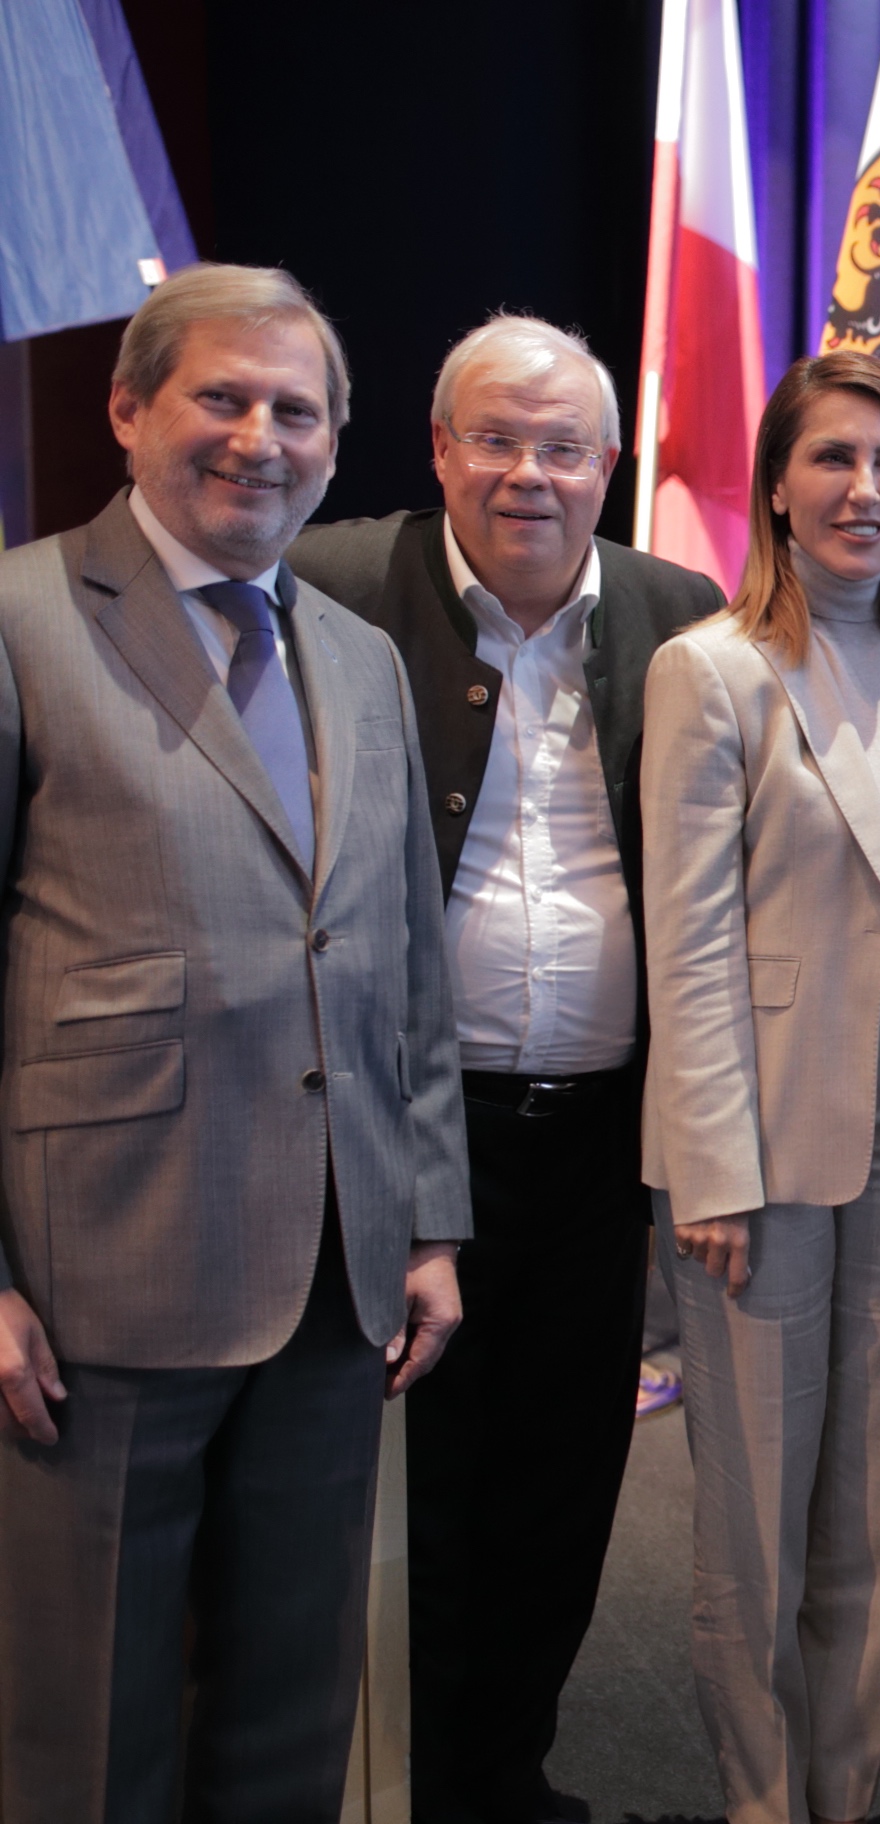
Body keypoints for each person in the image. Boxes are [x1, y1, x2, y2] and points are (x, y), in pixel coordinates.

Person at [0, 262, 469, 1818]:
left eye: (299, 410)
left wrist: (427, 1222)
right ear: (129, 410)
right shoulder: (18, 618)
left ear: (337, 447)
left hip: (338, 1275)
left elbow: (405, 967)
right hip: (99, 1285)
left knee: (290, 1711)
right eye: (225, 396)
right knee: (92, 1728)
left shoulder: (358, 658)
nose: (260, 437)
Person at [287, 312, 723, 1824]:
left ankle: (502, 1774)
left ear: (612, 463)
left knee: (564, 1477)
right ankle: (397, 1779)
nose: (526, 473)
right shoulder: (334, 584)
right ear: (438, 449)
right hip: (407, 1126)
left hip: (604, 1135)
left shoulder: (682, 611)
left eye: (561, 446)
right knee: (419, 1481)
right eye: (495, 438)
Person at [638, 351, 880, 1824]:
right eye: (834, 459)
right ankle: (760, 1798)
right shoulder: (711, 667)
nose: (866, 490)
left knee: (877, 1497)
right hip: (763, 1135)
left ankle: (848, 1790)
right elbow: (690, 933)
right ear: (777, 487)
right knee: (758, 1516)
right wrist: (707, 1165)